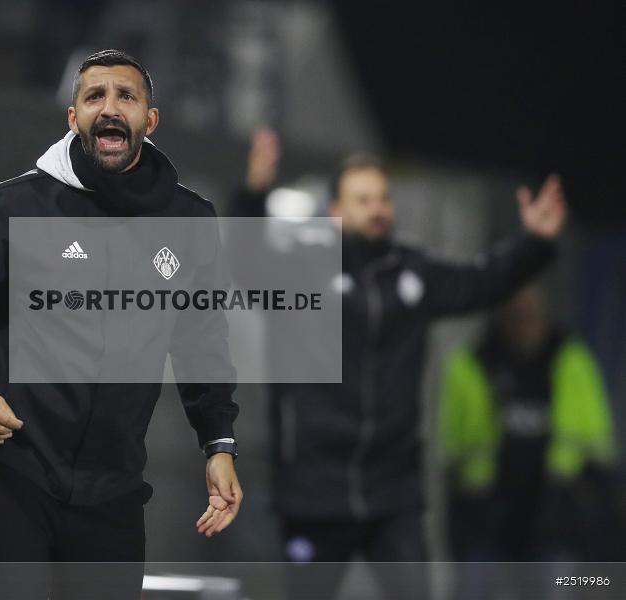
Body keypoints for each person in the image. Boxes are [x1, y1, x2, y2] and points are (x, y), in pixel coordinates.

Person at [0, 49, 242, 600]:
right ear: (73, 118)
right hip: (11, 469)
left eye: (126, 97)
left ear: (149, 121)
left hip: (113, 485)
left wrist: (219, 443)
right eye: (94, 97)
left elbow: (200, 339)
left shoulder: (188, 221)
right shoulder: (17, 205)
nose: (110, 109)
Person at [229, 128, 567, 599]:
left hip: (393, 494)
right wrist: (253, 194)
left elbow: (481, 281)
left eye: (383, 197)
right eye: (363, 199)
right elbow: (247, 263)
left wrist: (533, 244)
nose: (377, 208)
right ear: (335, 211)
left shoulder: (413, 273)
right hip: (313, 492)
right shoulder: (299, 271)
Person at [440, 284, 617, 599]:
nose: (524, 324)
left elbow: (597, 441)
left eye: (530, 315)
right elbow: (451, 449)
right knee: (472, 589)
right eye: (516, 316)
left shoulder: (571, 360)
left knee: (560, 588)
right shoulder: (474, 362)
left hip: (554, 515)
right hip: (486, 514)